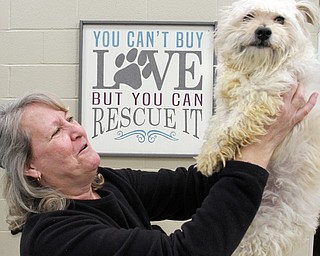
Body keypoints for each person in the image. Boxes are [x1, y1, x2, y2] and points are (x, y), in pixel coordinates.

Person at [0, 83, 317, 256]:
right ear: (30, 167)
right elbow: (186, 253)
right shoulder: (55, 238)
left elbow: (190, 188)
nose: (77, 130)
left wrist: (264, 133)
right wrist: (258, 149)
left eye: (70, 119)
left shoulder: (106, 183)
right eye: (57, 132)